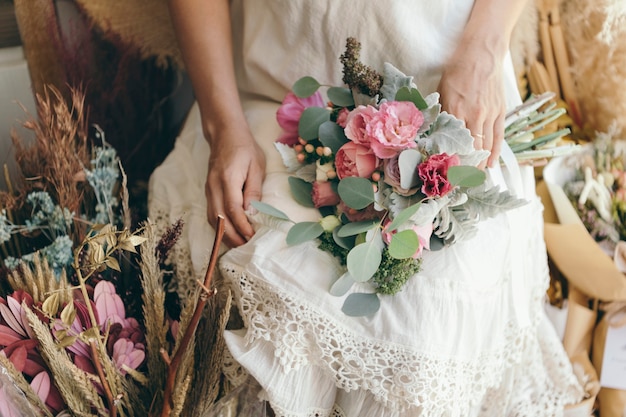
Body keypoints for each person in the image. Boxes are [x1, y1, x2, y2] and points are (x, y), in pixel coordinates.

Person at [150, 0, 584, 415]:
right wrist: (222, 126)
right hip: (279, 101)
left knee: (426, 331)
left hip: (453, 99)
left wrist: (485, 49)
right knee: (271, 285)